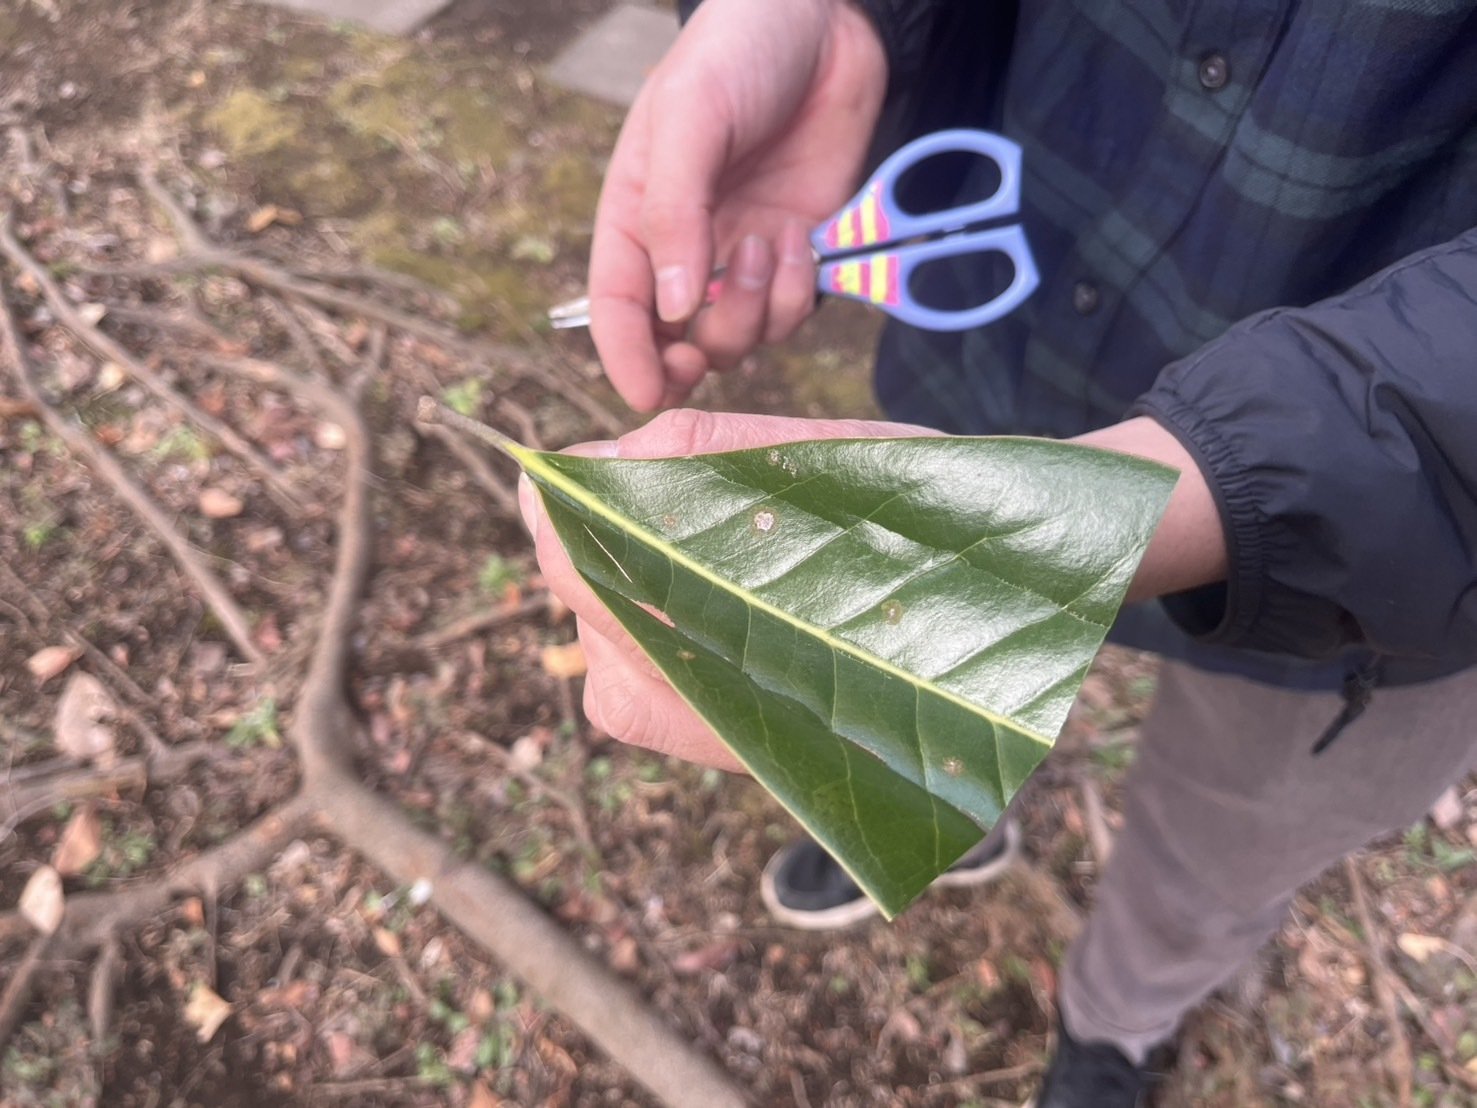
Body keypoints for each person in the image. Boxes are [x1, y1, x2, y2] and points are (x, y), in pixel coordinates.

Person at [522, 1, 1477, 1103]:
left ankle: (1119, 1021)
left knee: (1234, 827)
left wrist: (1140, 503)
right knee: (922, 665)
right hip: (1012, 326)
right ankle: (949, 801)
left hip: (1405, 541)